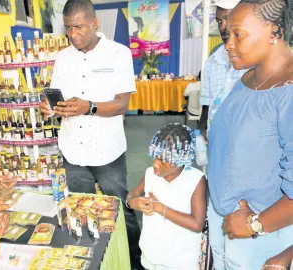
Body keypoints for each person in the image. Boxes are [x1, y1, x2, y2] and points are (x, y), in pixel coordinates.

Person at [39, 0, 141, 268]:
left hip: (107, 150)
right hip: (73, 149)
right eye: (68, 28)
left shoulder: (118, 54)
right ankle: (93, 256)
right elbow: (58, 99)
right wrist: (51, 108)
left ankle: (134, 256)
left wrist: (89, 107)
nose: (73, 34)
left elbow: (122, 104)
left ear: (94, 23)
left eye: (79, 27)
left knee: (118, 206)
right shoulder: (62, 57)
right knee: (82, 208)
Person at [208, 0, 293, 267]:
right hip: (226, 221)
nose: (228, 43)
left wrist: (256, 224)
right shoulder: (246, 80)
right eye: (227, 34)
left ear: (274, 31)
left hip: (262, 232)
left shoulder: (288, 92)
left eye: (238, 34)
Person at [126, 123, 206, 270]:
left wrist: (158, 207)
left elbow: (197, 224)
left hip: (180, 262)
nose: (156, 164)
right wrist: (133, 202)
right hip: (150, 256)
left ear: (182, 158)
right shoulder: (150, 173)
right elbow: (132, 194)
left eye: (163, 159)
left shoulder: (195, 180)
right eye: (155, 156)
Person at [198, 0, 247, 141]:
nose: (223, 27)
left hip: (244, 142)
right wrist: (202, 127)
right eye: (219, 21)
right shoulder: (213, 59)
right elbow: (207, 100)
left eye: (228, 19)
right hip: (216, 139)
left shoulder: (256, 61)